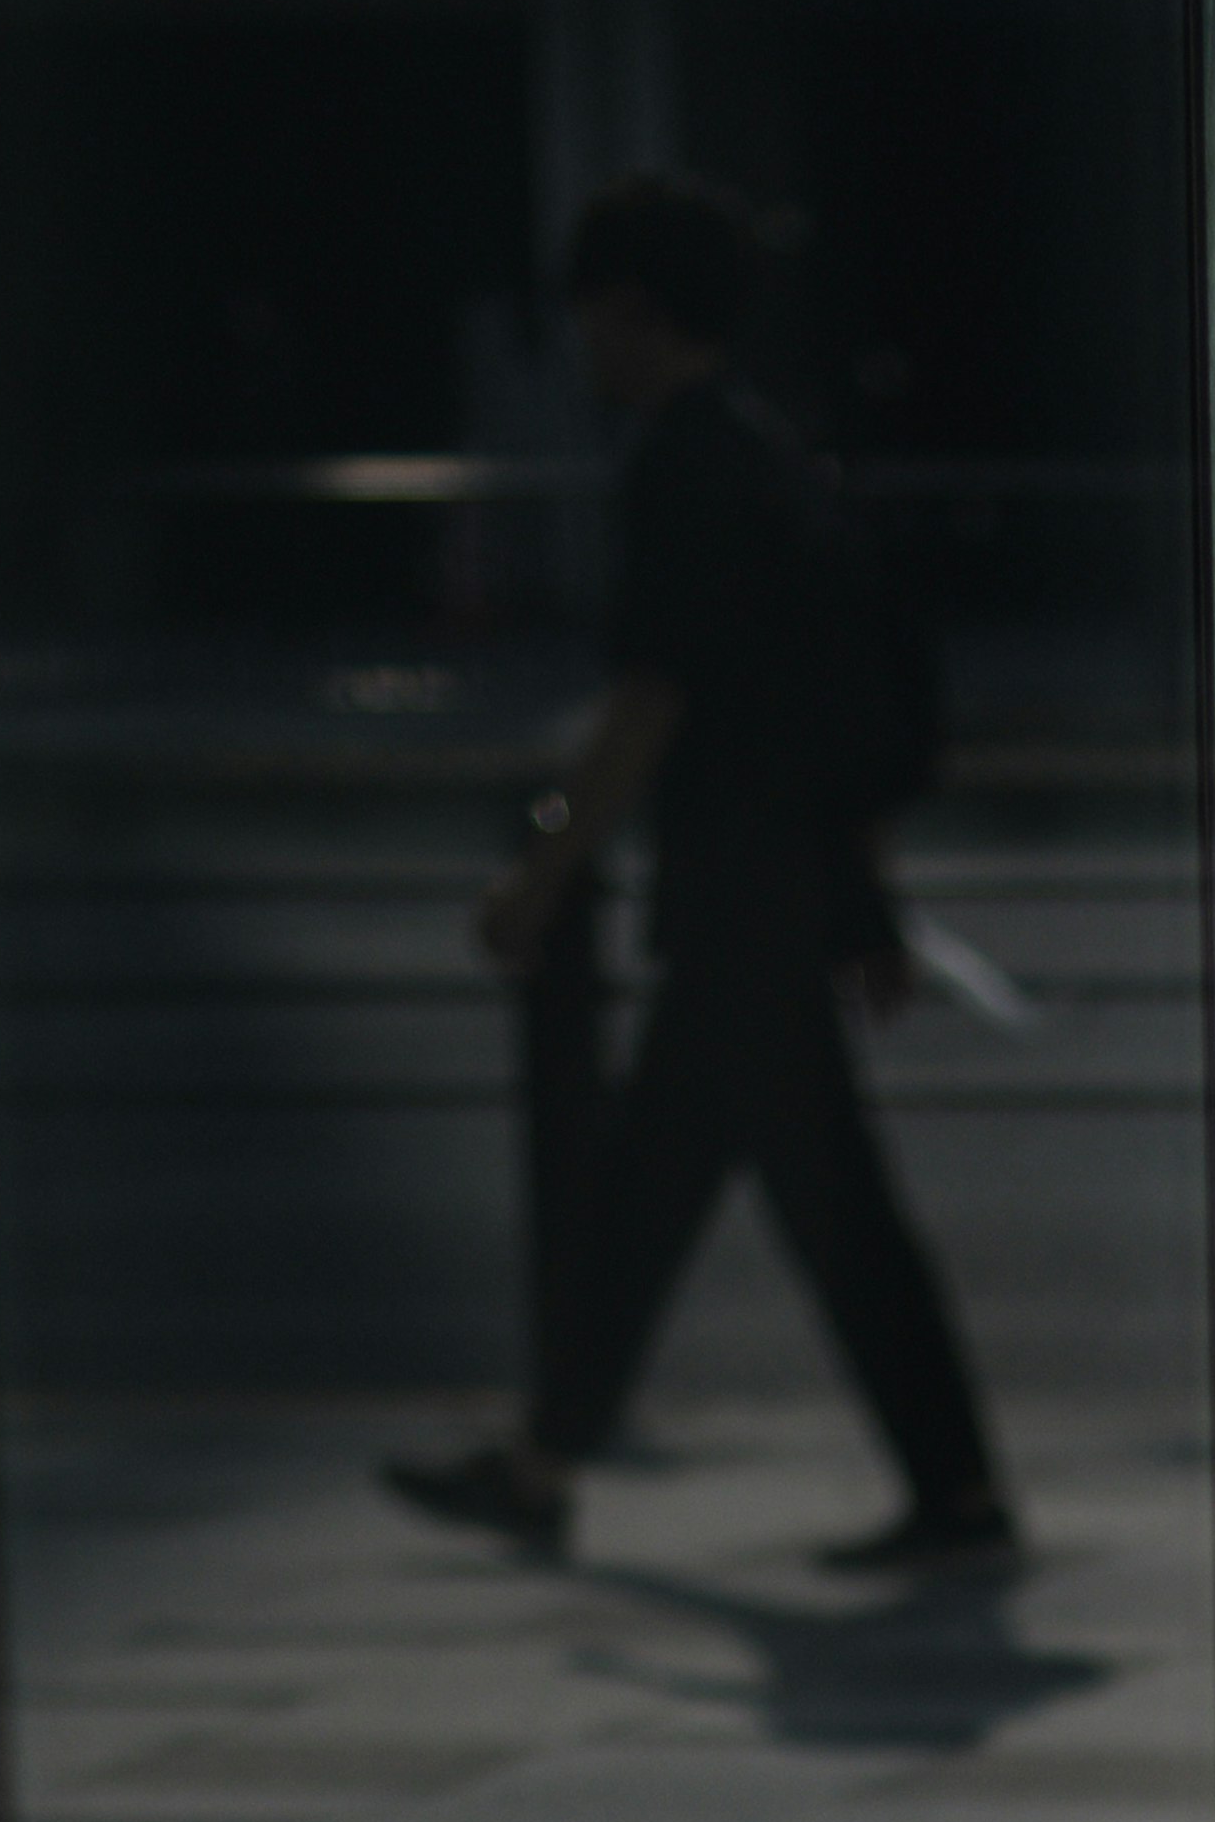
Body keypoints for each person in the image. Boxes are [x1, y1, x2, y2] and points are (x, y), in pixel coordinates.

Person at [384, 172, 1015, 1571]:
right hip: (784, 887)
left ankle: (557, 1467)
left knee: (707, 1197)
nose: (585, 350)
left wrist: (538, 875)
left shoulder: (683, 471)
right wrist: (870, 897)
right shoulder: (777, 460)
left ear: (635, 313)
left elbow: (648, 706)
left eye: (595, 319)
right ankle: (563, 1463)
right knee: (704, 1195)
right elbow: (846, 699)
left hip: (739, 898)